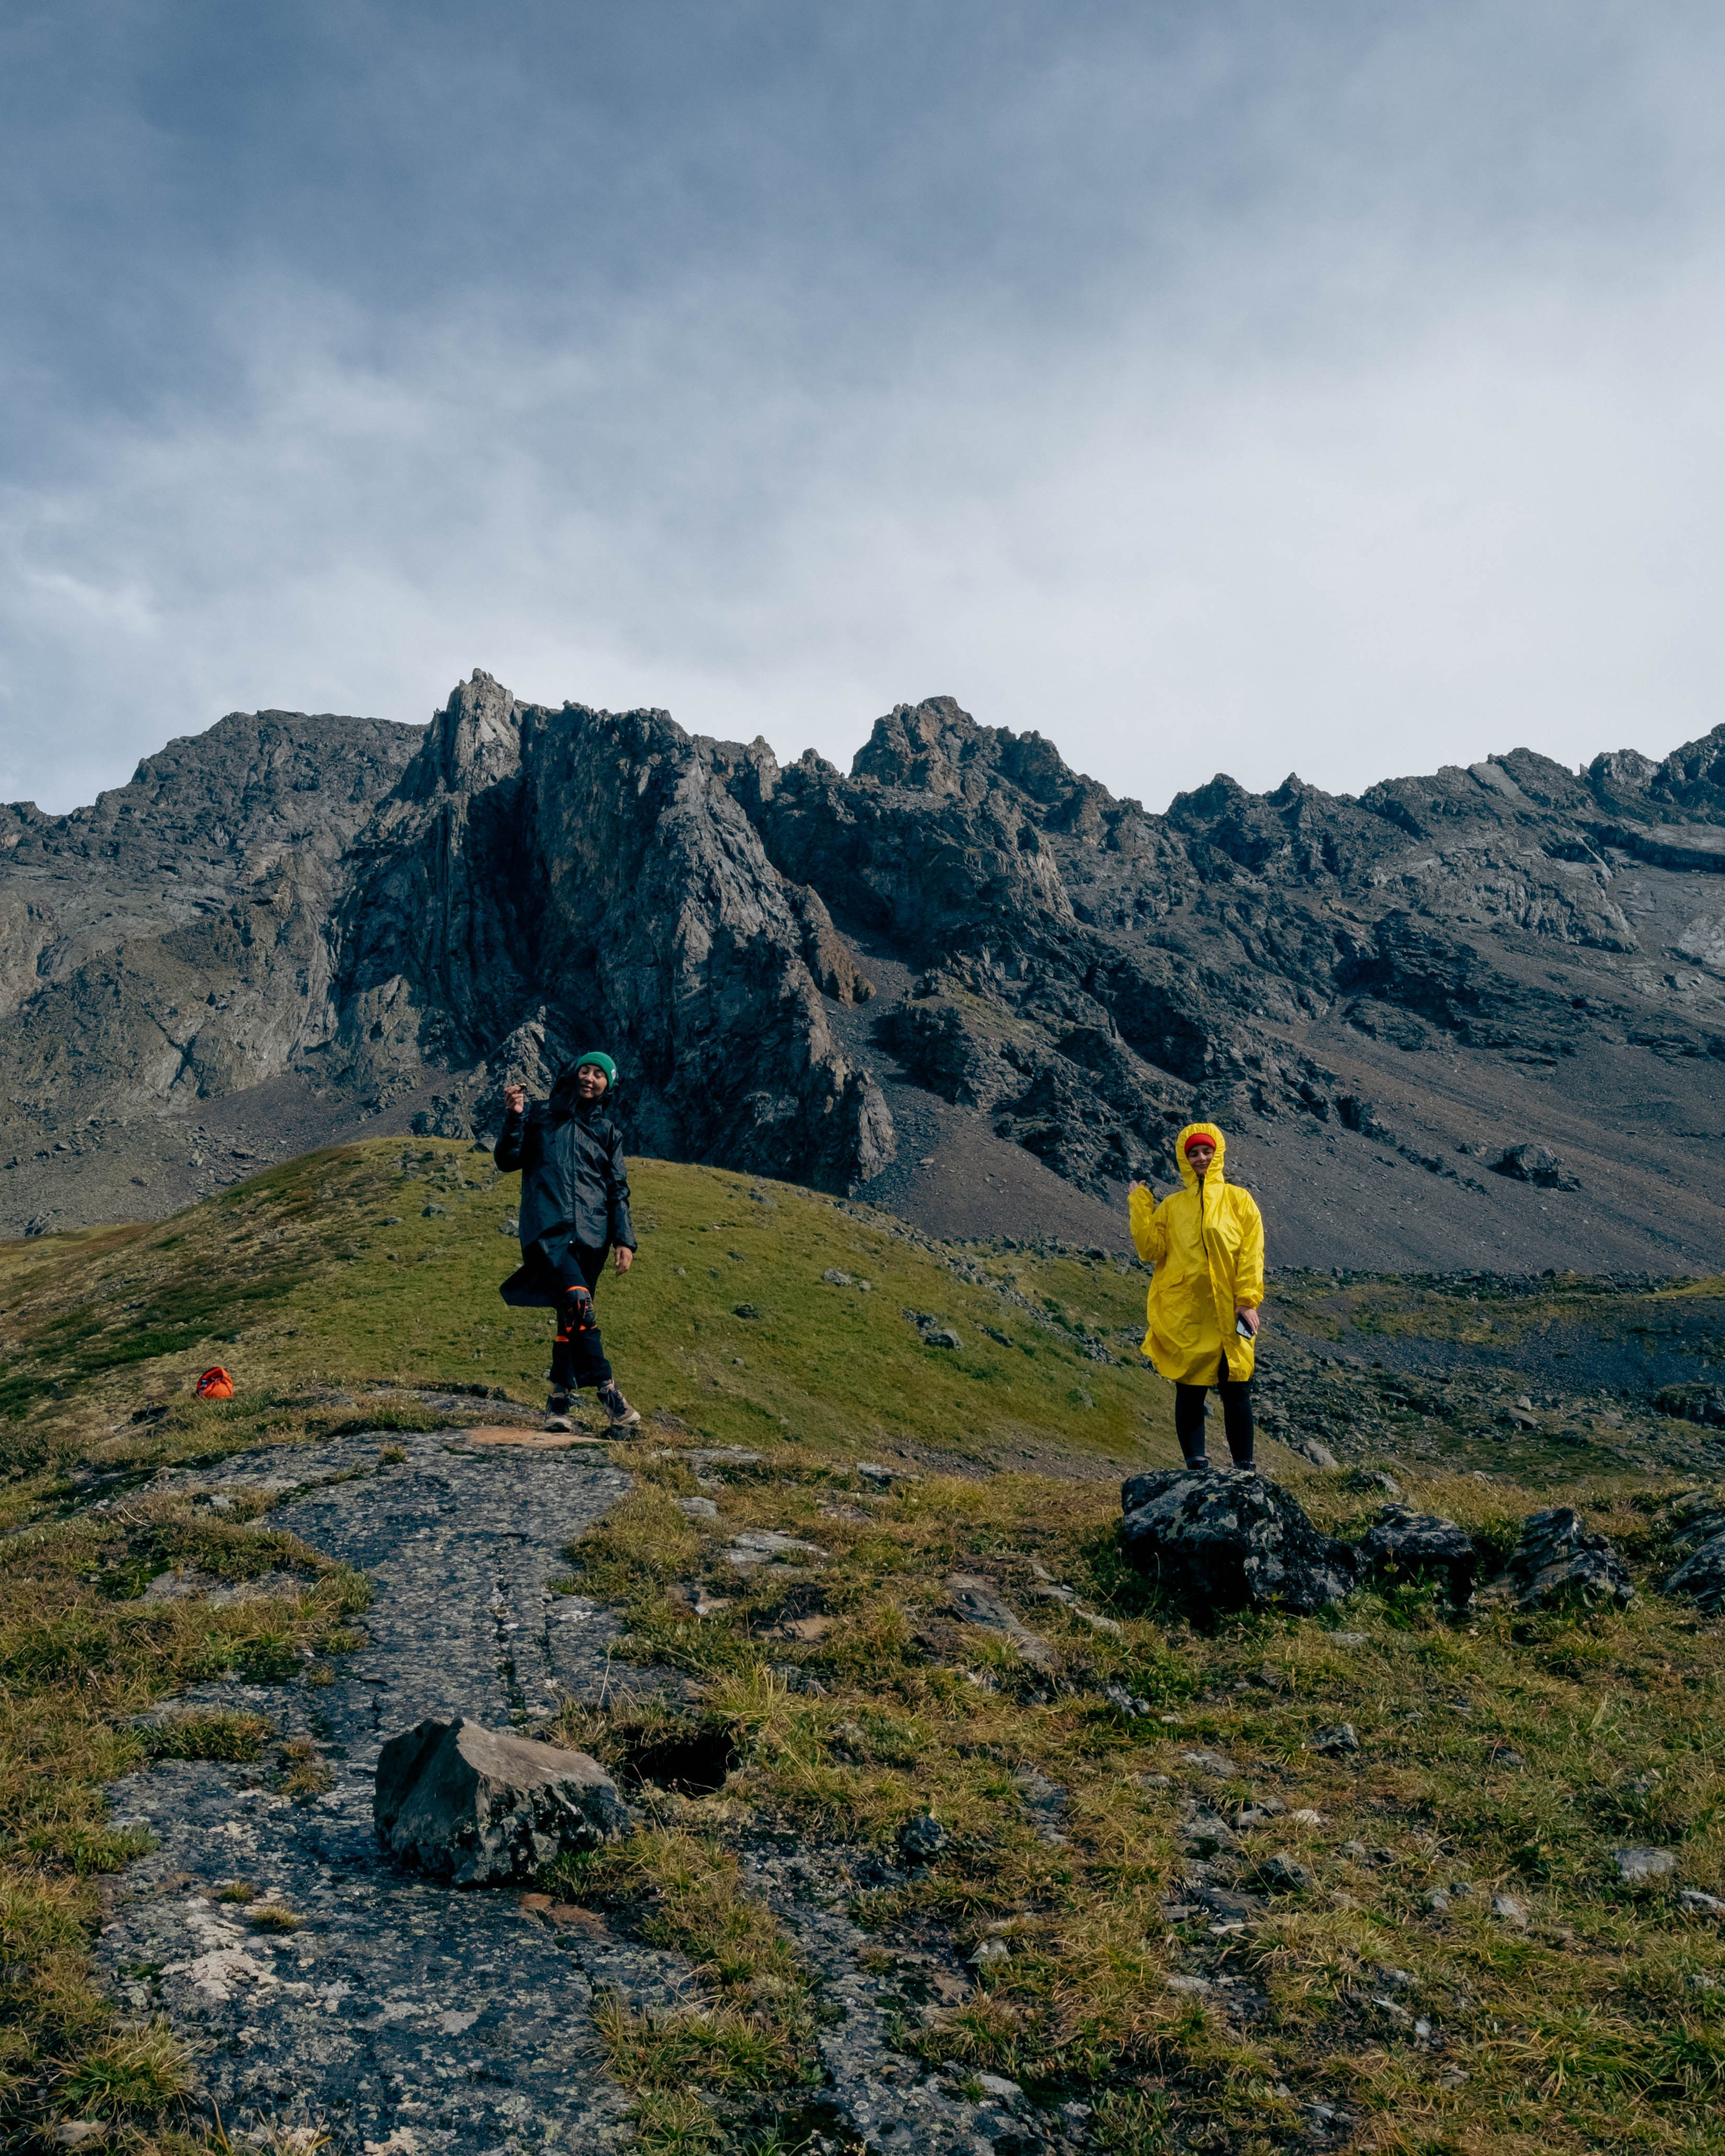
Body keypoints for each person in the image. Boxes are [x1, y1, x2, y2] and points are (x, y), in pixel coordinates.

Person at [495, 1052, 641, 1429]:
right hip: (549, 1232)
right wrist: (515, 1115)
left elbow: (617, 1191)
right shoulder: (540, 1116)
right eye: (585, 1070)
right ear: (573, 1074)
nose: (590, 1078)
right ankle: (609, 1393)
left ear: (608, 1085)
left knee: (570, 1319)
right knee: (579, 1303)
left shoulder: (608, 1132)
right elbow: (508, 1159)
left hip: (594, 1238)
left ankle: (557, 1405)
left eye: (599, 1074)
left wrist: (624, 1240)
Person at [1128, 1120, 1263, 1469]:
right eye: (1193, 1154)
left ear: (1217, 1153)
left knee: (1236, 1386)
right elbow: (1150, 1249)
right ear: (1184, 1160)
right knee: (1189, 1387)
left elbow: (1251, 1252)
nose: (1201, 1158)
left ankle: (1244, 1469)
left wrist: (1247, 1301)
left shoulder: (1239, 1200)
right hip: (1188, 1311)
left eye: (1206, 1151)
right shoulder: (1173, 1206)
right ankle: (1196, 1465)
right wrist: (1140, 1205)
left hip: (1231, 1310)